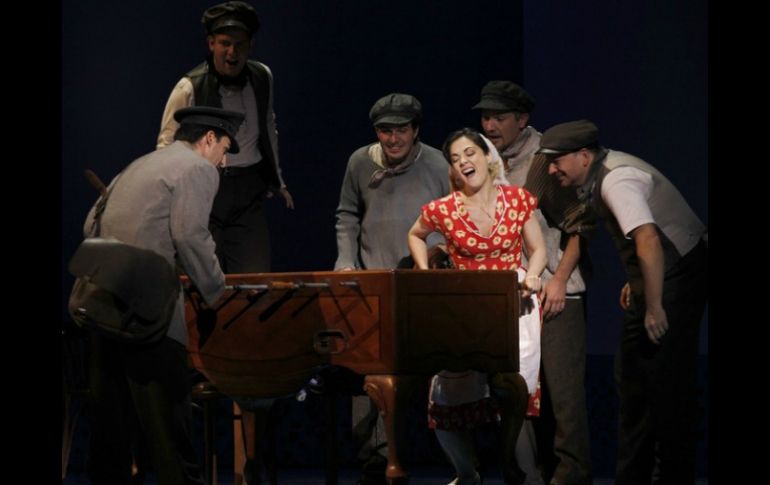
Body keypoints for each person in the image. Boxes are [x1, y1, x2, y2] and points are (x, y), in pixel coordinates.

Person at [539, 119, 708, 484]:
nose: (551, 170)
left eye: (557, 161)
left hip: (680, 274)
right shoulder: (597, 176)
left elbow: (647, 237)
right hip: (662, 275)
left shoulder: (616, 180)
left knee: (666, 381)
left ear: (584, 156)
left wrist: (654, 305)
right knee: (631, 376)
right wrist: (638, 281)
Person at [83, 106, 242, 484]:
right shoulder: (197, 168)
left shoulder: (138, 165)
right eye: (225, 148)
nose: (224, 161)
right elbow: (190, 235)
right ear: (209, 139)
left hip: (101, 306)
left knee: (110, 436)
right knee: (170, 437)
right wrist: (217, 290)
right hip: (149, 316)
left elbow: (90, 225)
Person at [408, 128, 547, 485]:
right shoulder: (444, 209)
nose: (463, 163)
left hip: (512, 301)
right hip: (466, 305)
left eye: (469, 153)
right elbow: (416, 234)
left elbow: (538, 249)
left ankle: (520, 474)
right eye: (455, 159)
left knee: (514, 390)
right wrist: (425, 274)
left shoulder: (517, 200)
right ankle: (467, 474)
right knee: (448, 391)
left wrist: (533, 274)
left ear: (487, 156)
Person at [474, 81, 592, 485]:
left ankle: (571, 475)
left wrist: (558, 280)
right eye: (485, 117)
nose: (490, 125)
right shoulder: (484, 161)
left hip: (557, 291)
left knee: (563, 394)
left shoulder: (544, 160)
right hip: (512, 294)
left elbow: (580, 225)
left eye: (499, 117)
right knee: (515, 389)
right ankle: (526, 474)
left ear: (522, 119)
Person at [334, 92, 450, 483]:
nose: (393, 138)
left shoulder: (437, 163)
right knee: (369, 371)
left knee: (420, 374)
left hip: (422, 286)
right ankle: (374, 458)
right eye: (385, 131)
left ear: (416, 130)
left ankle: (435, 456)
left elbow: (452, 218)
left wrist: (433, 259)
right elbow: (347, 214)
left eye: (401, 130)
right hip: (373, 283)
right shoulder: (360, 162)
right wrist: (346, 262)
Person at [158, 0, 293, 274]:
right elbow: (166, 143)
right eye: (225, 43)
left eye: (240, 44)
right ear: (211, 43)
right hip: (205, 190)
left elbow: (269, 125)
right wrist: (167, 196)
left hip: (248, 189)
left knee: (255, 278)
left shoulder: (262, 77)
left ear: (251, 46)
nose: (232, 52)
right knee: (202, 276)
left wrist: (277, 179)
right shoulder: (189, 86)